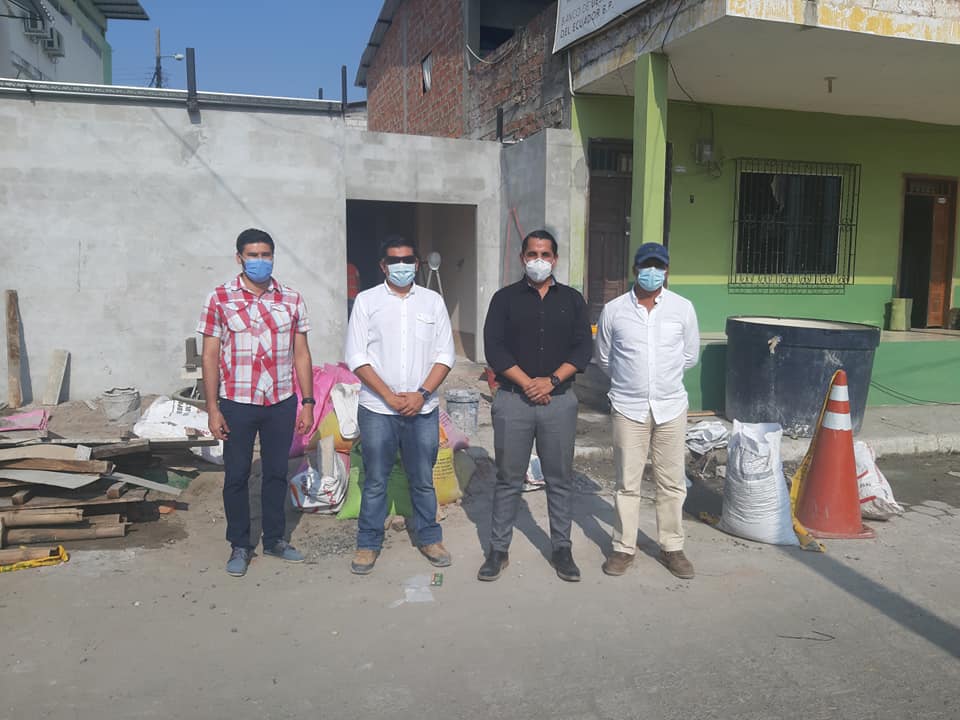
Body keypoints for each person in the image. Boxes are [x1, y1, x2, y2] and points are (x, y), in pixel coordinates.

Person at [198, 228, 316, 578]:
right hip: (238, 401)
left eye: (266, 255)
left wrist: (308, 402)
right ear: (239, 258)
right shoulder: (219, 298)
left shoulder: (291, 299)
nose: (260, 261)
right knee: (236, 475)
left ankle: (276, 539)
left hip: (281, 400)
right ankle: (240, 544)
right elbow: (210, 355)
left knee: (276, 473)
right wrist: (213, 408)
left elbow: (301, 353)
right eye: (253, 255)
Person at [479, 229, 593, 582]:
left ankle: (562, 549)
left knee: (559, 479)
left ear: (555, 259)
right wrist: (529, 383)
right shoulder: (504, 299)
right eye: (532, 254)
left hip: (559, 402)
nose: (538, 261)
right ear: (522, 258)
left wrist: (552, 381)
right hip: (513, 400)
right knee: (508, 479)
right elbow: (494, 348)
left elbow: (582, 348)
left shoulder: (572, 300)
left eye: (545, 254)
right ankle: (498, 550)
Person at [344, 235, 455, 575]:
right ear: (383, 266)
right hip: (378, 409)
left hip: (422, 409)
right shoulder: (367, 301)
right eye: (394, 260)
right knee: (375, 479)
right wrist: (389, 396)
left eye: (408, 260)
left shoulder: (433, 302)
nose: (402, 266)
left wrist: (421, 394)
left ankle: (429, 537)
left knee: (422, 478)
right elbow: (356, 356)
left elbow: (445, 355)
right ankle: (368, 543)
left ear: (417, 264)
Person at [594, 242, 700, 579]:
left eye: (658, 266)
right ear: (635, 270)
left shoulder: (683, 308)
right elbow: (605, 358)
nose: (652, 272)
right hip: (629, 407)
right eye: (646, 266)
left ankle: (672, 547)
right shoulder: (614, 311)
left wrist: (661, 382)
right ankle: (623, 547)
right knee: (627, 482)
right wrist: (633, 382)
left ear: (666, 271)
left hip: (671, 407)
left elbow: (689, 355)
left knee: (671, 482)